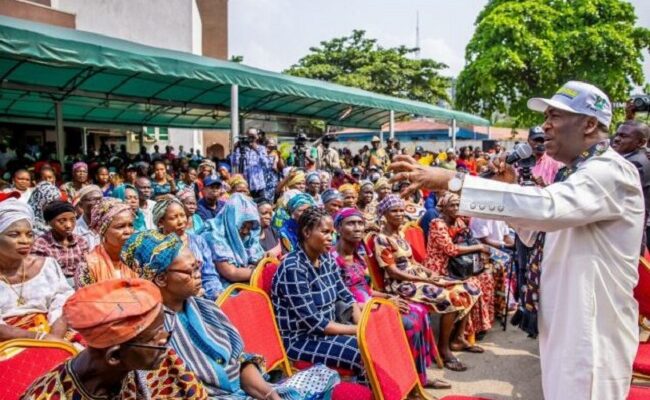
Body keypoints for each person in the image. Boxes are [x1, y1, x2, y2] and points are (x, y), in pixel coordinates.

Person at [390, 81, 642, 399]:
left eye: (555, 116)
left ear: (589, 124)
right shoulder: (578, 174)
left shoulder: (609, 172)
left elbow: (548, 208)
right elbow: (541, 230)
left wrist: (455, 181)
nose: (545, 125)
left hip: (590, 330)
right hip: (567, 319)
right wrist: (513, 193)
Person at [121, 231, 337, 399]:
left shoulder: (206, 309)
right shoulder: (150, 334)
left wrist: (269, 395)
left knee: (324, 376)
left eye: (199, 266)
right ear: (160, 279)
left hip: (242, 392)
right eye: (191, 271)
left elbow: (239, 360)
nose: (199, 275)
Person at [21, 278, 207, 399]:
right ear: (115, 356)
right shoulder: (47, 394)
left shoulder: (158, 359)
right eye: (154, 337)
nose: (164, 340)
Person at [331, 208, 448, 389]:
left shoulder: (358, 256)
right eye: (350, 223)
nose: (357, 228)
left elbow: (366, 289)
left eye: (360, 223)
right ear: (338, 228)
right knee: (409, 322)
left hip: (371, 302)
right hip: (352, 312)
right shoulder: (332, 260)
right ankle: (401, 378)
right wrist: (383, 303)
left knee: (419, 311)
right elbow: (340, 300)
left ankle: (417, 375)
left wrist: (388, 296)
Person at [373, 195, 480, 371]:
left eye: (401, 210)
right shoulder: (382, 239)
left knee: (469, 287)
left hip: (417, 275)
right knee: (451, 297)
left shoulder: (399, 234)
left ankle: (457, 338)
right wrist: (423, 279)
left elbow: (412, 261)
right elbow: (392, 271)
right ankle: (444, 349)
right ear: (384, 214)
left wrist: (430, 273)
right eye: (394, 211)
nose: (399, 214)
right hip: (401, 283)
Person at [272, 207, 365, 381]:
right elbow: (316, 323)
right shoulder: (293, 268)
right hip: (300, 340)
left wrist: (361, 325)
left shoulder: (326, 258)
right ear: (307, 232)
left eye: (332, 233)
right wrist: (359, 330)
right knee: (364, 351)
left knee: (376, 341)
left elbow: (346, 295)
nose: (331, 238)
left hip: (329, 332)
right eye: (325, 232)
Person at [0, 199, 74, 342]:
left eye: (29, 234)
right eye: (14, 235)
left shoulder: (47, 266)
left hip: (55, 333)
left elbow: (63, 306)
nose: (25, 241)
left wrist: (54, 339)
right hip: (8, 343)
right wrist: (40, 338)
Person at [425, 193, 496, 337]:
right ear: (443, 207)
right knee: (473, 283)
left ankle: (477, 327)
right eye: (452, 205)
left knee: (486, 277)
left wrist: (480, 250)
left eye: (458, 205)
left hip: (458, 265)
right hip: (441, 268)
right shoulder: (437, 224)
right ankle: (462, 333)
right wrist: (479, 247)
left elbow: (468, 240)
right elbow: (450, 250)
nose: (456, 208)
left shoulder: (459, 222)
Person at [153, 197, 223, 300]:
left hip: (203, 295)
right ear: (160, 223)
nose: (181, 221)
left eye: (182, 215)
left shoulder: (198, 241)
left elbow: (209, 275)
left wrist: (214, 292)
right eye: (174, 218)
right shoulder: (155, 248)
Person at [203, 193, 264, 287]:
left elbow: (253, 257)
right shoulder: (214, 237)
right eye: (242, 226)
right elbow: (231, 273)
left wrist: (263, 260)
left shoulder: (247, 236)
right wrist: (260, 271)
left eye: (249, 228)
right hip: (222, 291)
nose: (245, 232)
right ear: (231, 221)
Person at [75, 198, 137, 287]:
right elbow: (86, 299)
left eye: (130, 225)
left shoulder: (137, 260)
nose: (128, 231)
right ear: (103, 230)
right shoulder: (88, 266)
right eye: (120, 227)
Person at [31, 200, 89, 285]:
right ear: (49, 222)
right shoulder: (41, 244)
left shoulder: (81, 242)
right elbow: (40, 274)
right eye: (62, 221)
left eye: (72, 220)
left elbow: (86, 268)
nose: (68, 225)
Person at [612, 120, 650, 250]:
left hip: (626, 235)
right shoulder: (626, 159)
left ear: (640, 142)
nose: (616, 139)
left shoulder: (635, 164)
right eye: (617, 134)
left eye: (624, 136)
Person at [231, 128, 270, 199]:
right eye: (249, 136)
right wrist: (235, 149)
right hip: (244, 186)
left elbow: (266, 164)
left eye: (253, 136)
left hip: (258, 186)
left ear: (257, 137)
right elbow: (234, 163)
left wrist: (256, 149)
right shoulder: (241, 148)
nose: (251, 139)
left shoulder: (261, 148)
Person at [72, 185, 102, 250]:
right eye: (92, 199)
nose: (97, 202)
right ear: (81, 204)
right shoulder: (74, 229)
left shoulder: (107, 226)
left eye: (100, 199)